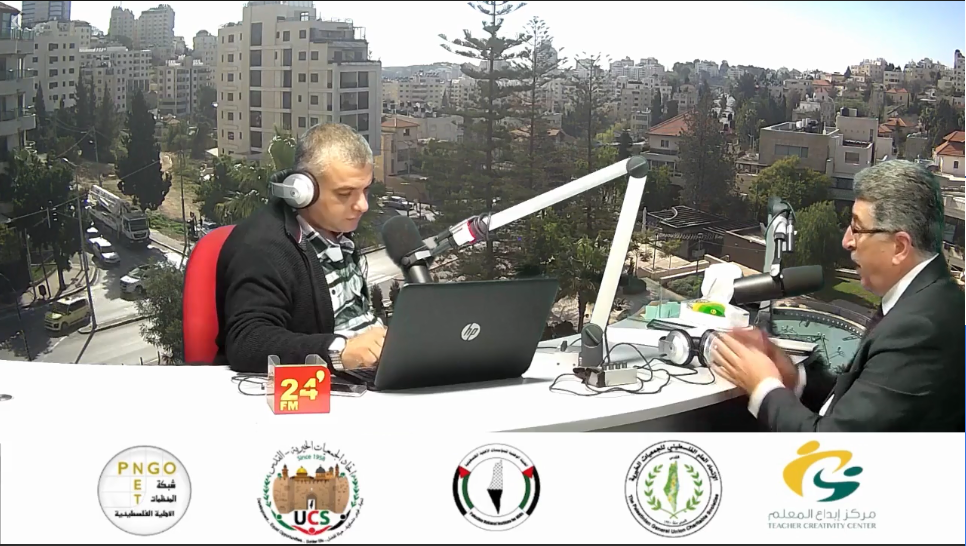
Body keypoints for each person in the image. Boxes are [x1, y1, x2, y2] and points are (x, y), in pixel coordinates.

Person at [710, 160, 964, 432]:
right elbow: (860, 403)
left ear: (899, 247)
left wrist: (763, 386)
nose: (846, 241)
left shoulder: (920, 330)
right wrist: (794, 378)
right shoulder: (925, 300)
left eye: (857, 228)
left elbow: (832, 447)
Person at [214, 123, 387, 373]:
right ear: (302, 191)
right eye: (345, 194)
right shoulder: (262, 246)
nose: (362, 205)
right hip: (322, 383)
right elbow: (248, 342)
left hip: (371, 370)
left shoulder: (335, 230)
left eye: (365, 190)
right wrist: (339, 352)